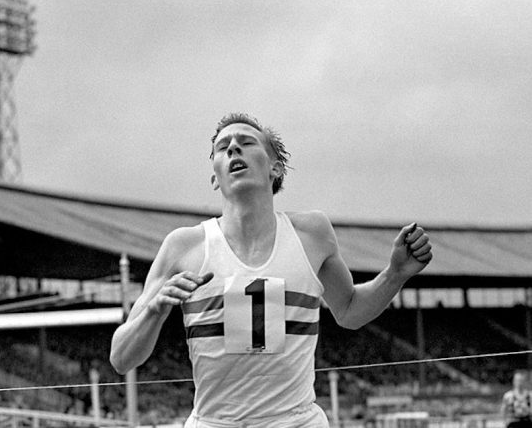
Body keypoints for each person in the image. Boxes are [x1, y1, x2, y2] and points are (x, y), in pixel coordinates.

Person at [110, 113, 433, 428]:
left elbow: (349, 311)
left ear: (275, 168)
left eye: (246, 142)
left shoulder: (312, 234)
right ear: (214, 178)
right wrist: (154, 311)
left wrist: (395, 274)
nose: (233, 147)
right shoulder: (183, 246)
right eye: (223, 147)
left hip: (298, 421)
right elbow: (121, 358)